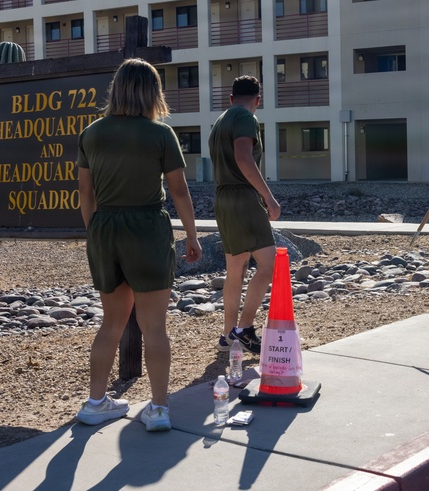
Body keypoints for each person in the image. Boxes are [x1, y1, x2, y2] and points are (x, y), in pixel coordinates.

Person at [74, 58, 202, 432]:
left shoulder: (92, 133)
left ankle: (95, 403)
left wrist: (95, 231)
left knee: (111, 323)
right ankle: (158, 409)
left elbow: (85, 191)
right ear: (153, 92)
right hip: (147, 227)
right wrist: (191, 235)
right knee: (154, 327)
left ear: (116, 89)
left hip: (105, 228)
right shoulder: (161, 134)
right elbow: (179, 190)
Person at [209, 75, 281, 354]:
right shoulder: (245, 118)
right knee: (268, 264)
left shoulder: (220, 121)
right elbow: (243, 157)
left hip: (223, 198)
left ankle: (229, 335)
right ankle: (245, 329)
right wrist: (268, 196)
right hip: (243, 197)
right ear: (257, 100)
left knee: (235, 268)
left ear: (231, 98)